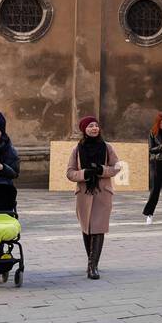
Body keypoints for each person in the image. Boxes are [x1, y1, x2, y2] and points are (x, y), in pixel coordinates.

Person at [65, 116, 120, 279]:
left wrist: (101, 170)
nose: (94, 128)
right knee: (87, 228)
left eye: (96, 125)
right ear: (84, 130)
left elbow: (116, 167)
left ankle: (93, 266)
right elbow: (69, 172)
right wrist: (85, 173)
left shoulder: (107, 147)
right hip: (84, 194)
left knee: (98, 228)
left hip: (102, 193)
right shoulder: (77, 149)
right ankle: (91, 261)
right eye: (90, 126)